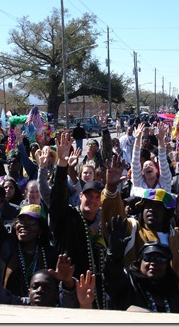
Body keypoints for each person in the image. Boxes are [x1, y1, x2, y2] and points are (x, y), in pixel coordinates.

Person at [101, 157, 179, 297]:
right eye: (147, 206)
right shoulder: (132, 230)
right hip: (139, 307)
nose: (151, 210)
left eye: (157, 207)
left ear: (167, 214)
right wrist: (111, 189)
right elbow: (113, 220)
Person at [49, 132, 108, 309]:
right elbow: (57, 197)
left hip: (97, 297)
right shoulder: (68, 217)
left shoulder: (103, 226)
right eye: (88, 196)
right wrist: (62, 165)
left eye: (97, 197)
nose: (92, 200)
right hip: (69, 293)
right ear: (80, 195)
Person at [103, 234, 179, 313]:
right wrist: (114, 257)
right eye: (148, 258)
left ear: (167, 266)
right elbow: (112, 277)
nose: (153, 263)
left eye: (160, 260)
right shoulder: (127, 283)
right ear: (140, 262)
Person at [130, 122, 172, 195]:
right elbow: (135, 162)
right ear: (142, 172)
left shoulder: (165, 183)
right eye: (145, 166)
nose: (148, 166)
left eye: (151, 165)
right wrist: (137, 138)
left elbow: (163, 161)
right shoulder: (138, 183)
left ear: (156, 170)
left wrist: (161, 139)